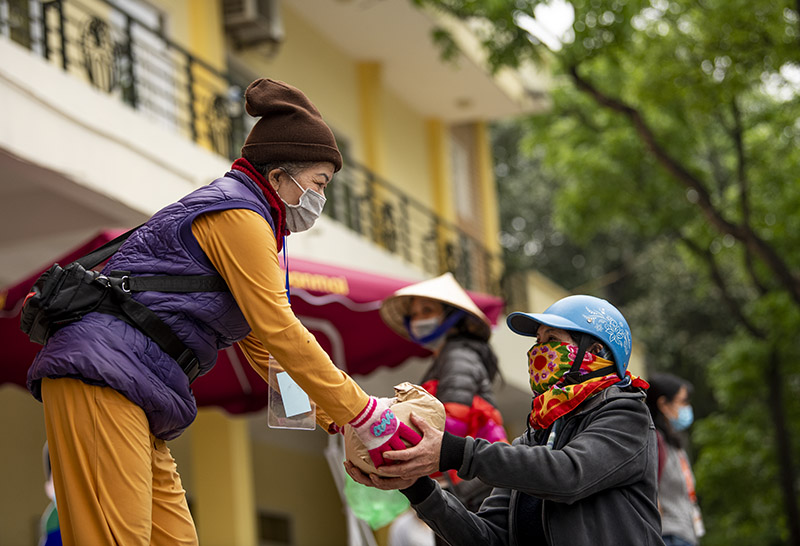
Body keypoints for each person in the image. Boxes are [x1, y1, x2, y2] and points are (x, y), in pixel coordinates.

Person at [26, 78, 419, 546]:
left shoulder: (254, 222)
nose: (321, 200)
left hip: (134, 384)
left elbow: (269, 353)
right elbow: (280, 331)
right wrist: (366, 415)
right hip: (103, 375)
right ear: (278, 177)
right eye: (319, 183)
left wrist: (335, 420)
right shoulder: (239, 215)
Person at [346, 294, 665, 546]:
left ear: (595, 351)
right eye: (537, 341)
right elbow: (486, 537)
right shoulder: (535, 435)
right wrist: (417, 487)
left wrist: (452, 451)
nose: (539, 351)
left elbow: (568, 475)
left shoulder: (626, 414)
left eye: (550, 339)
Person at [380, 272, 507, 512]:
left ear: (452, 316)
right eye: (414, 314)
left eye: (427, 311)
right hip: (473, 482)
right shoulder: (448, 358)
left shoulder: (459, 356)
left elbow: (452, 422)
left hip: (476, 486)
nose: (418, 319)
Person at [646, 372, 705, 546]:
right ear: (663, 403)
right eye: (683, 401)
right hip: (668, 535)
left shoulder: (673, 443)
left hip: (685, 534)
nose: (687, 407)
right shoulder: (654, 441)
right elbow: (650, 489)